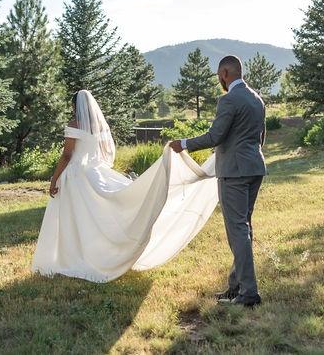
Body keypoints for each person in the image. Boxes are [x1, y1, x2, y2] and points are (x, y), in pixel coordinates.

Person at [31, 89, 218, 282]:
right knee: (94, 216)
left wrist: (54, 178)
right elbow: (107, 152)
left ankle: (73, 257)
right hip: (95, 171)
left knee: (75, 218)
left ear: (75, 107)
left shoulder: (74, 124)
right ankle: (95, 255)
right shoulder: (99, 126)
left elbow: (67, 155)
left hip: (77, 174)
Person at [169, 54, 266, 307]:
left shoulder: (228, 100)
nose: (219, 80)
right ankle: (236, 287)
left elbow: (215, 136)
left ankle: (249, 294)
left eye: (218, 75)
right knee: (244, 227)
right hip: (255, 167)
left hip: (234, 172)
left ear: (224, 73)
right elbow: (260, 137)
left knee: (237, 230)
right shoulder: (257, 99)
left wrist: (184, 144)